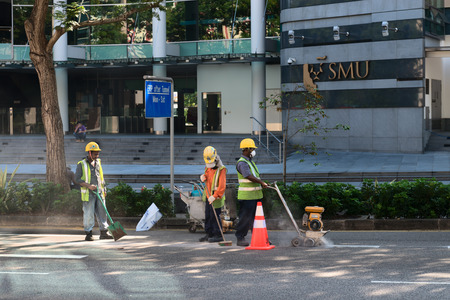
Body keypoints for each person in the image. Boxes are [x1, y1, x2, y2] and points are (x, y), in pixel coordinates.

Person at [75, 142, 113, 241]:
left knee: (102, 213)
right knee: (88, 214)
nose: (97, 155)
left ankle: (104, 232)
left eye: (98, 153)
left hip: (99, 192)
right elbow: (77, 179)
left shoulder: (98, 162)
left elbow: (101, 176)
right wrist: (89, 186)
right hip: (88, 194)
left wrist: (104, 189)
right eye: (95, 154)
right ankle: (88, 233)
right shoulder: (81, 164)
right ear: (89, 152)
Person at [235, 138, 268, 246]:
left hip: (255, 195)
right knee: (245, 218)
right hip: (247, 196)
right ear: (247, 150)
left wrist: (261, 183)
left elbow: (254, 176)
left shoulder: (250, 162)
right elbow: (248, 176)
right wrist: (261, 182)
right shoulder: (242, 163)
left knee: (257, 219)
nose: (254, 151)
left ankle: (259, 238)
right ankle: (240, 238)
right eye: (252, 149)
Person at [198, 146, 227, 243]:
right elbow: (208, 177)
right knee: (208, 215)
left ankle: (218, 234)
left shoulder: (221, 169)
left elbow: (222, 186)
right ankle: (209, 233)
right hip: (208, 195)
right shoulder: (207, 167)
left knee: (215, 216)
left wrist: (214, 196)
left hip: (216, 198)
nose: (209, 165)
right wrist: (203, 176)